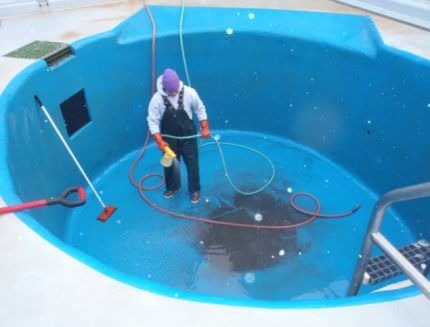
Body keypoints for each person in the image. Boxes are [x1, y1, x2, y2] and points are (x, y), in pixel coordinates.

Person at [147, 68, 211, 203]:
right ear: (164, 88)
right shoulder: (157, 99)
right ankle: (172, 187)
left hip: (188, 136)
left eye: (176, 90)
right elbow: (152, 120)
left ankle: (195, 189)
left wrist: (204, 128)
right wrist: (159, 140)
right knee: (169, 163)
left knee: (192, 163)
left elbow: (200, 109)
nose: (174, 93)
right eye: (171, 92)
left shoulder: (190, 92)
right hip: (168, 139)